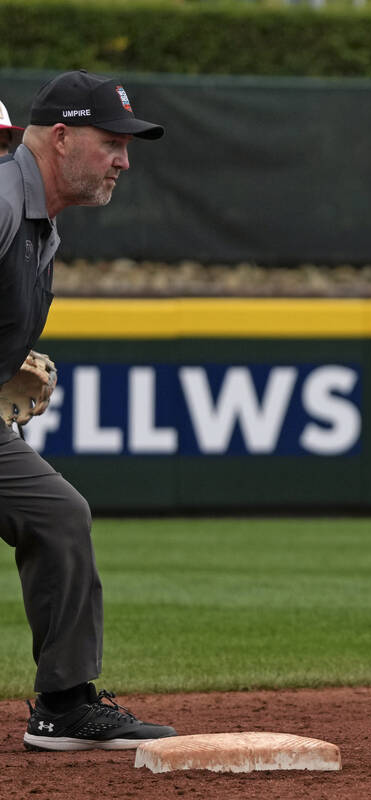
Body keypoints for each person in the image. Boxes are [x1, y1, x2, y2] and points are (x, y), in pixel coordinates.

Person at [1, 69, 176, 751]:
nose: (124, 161)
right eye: (112, 143)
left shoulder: (41, 223)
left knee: (58, 513)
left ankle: (65, 704)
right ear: (62, 137)